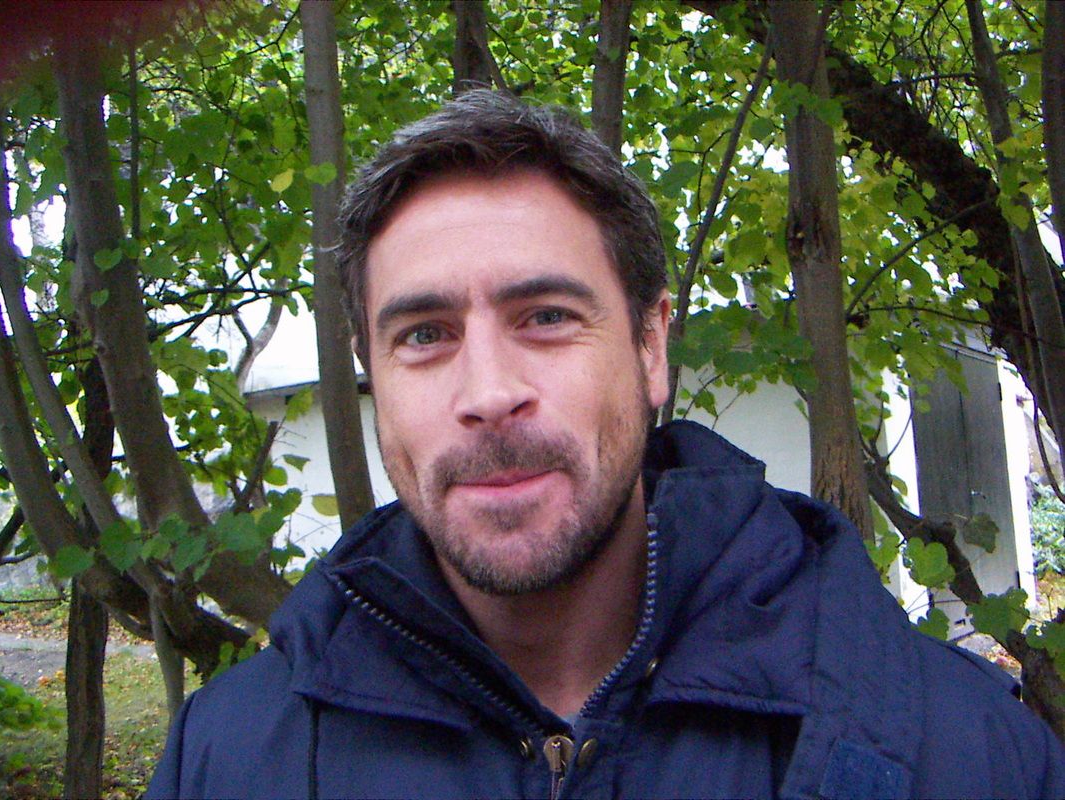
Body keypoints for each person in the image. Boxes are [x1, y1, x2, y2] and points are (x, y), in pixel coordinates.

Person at [147, 90, 1064, 799]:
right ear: (372, 374)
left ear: (650, 346)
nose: (489, 393)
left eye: (546, 316)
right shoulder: (227, 760)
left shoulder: (963, 752)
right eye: (423, 335)